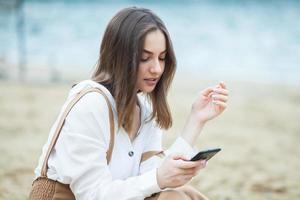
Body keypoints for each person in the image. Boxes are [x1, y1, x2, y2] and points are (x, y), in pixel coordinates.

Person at [32, 6, 229, 200]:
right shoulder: (91, 103)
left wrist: (197, 119)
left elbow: (149, 179)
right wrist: (159, 178)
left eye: (162, 58)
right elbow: (92, 195)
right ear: (119, 57)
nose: (157, 69)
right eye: (145, 58)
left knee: (183, 194)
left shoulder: (145, 111)